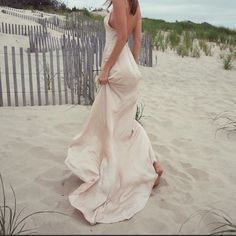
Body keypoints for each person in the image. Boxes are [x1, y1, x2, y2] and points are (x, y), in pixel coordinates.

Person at [64, 0, 163, 225]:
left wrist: (107, 69)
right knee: (124, 126)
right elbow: (136, 40)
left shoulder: (120, 0)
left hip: (117, 68)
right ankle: (153, 164)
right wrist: (133, 68)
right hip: (129, 69)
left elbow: (121, 38)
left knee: (108, 125)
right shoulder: (136, 6)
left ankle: (137, 173)